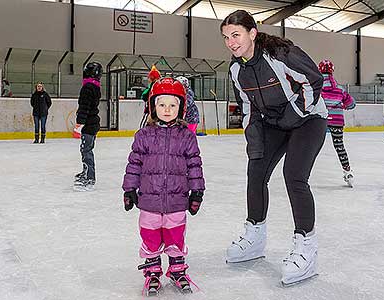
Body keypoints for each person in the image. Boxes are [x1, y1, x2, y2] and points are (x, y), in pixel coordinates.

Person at [221, 10, 328, 286]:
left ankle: (306, 246)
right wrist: (255, 144)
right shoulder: (236, 70)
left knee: (294, 175)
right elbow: (248, 109)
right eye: (226, 37)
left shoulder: (280, 54)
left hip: (308, 119)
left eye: (236, 35)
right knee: (256, 170)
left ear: (252, 33)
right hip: (273, 123)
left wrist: (294, 115)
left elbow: (313, 80)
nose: (231, 42)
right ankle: (255, 234)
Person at [122, 77, 205, 295]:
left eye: (173, 105)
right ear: (152, 106)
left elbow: (194, 164)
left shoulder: (187, 136)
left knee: (175, 235)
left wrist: (197, 192)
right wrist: (129, 189)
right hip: (149, 200)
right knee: (150, 235)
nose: (167, 110)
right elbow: (134, 164)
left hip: (177, 200)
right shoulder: (143, 136)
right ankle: (152, 271)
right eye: (161, 104)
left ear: (181, 107)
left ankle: (178, 269)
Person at [319, 60, 356, 187]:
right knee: (339, 146)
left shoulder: (316, 87)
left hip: (320, 120)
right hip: (337, 120)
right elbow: (351, 104)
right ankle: (347, 171)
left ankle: (301, 171)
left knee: (311, 146)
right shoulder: (339, 88)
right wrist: (344, 105)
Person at [73, 62, 102, 191]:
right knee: (85, 149)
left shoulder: (88, 87)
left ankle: (90, 176)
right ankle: (86, 172)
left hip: (89, 124)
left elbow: (85, 106)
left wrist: (80, 121)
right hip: (92, 123)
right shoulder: (95, 86)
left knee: (86, 150)